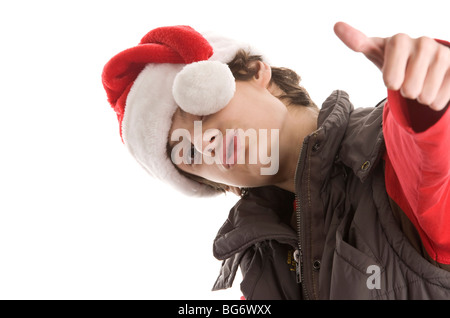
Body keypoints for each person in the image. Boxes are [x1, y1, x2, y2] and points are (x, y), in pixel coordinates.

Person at [102, 22, 450, 299]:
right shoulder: (258, 265)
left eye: (199, 108)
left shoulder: (387, 150)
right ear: (218, 183)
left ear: (256, 72)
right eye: (187, 154)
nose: (202, 142)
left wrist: (426, 100)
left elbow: (431, 157)